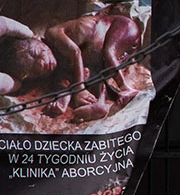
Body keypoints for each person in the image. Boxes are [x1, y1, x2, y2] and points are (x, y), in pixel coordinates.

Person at [0, 13, 143, 122]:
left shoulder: (53, 34)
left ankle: (124, 87)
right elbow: (70, 76)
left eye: (37, 54)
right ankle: (99, 103)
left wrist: (79, 89)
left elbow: (76, 53)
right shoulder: (57, 63)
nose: (42, 63)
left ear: (37, 39)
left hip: (120, 28)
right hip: (113, 55)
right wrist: (63, 96)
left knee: (108, 53)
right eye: (36, 71)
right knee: (90, 72)